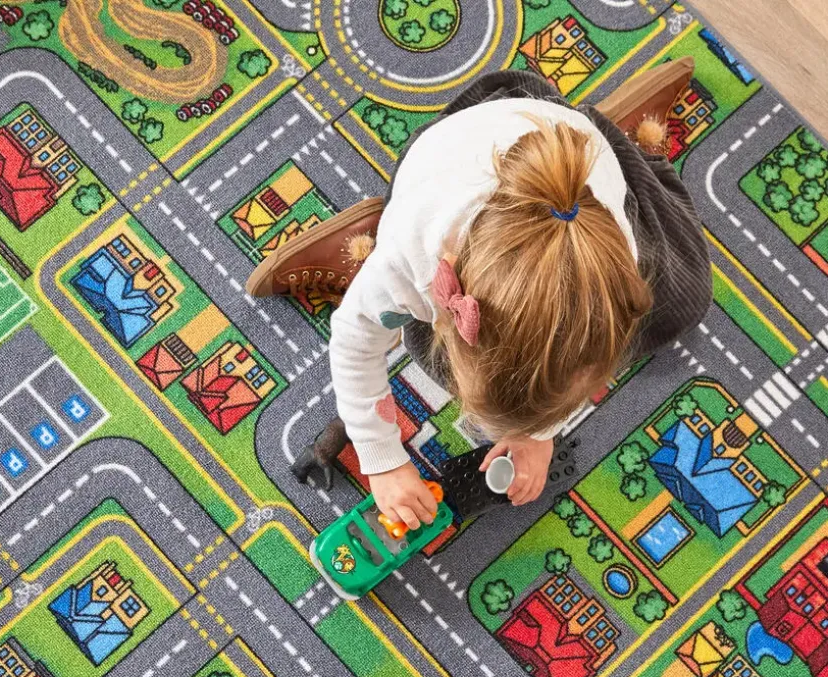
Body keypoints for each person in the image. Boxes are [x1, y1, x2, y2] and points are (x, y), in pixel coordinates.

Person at [246, 60, 712, 532]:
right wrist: (381, 459)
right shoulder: (412, 257)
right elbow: (352, 340)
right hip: (461, 147)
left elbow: (569, 356)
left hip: (569, 155)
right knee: (423, 347)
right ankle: (362, 253)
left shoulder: (611, 261)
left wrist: (539, 433)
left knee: (686, 298)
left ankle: (632, 154)